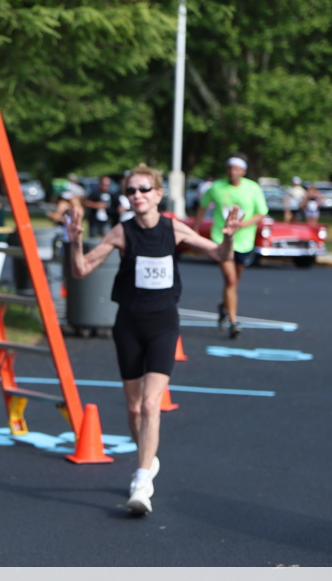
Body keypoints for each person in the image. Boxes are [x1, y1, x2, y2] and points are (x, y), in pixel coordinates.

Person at [66, 164, 240, 515]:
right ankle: (147, 457)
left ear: (159, 194)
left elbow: (222, 255)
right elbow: (81, 270)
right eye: (131, 191)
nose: (137, 195)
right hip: (128, 324)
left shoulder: (173, 229)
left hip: (163, 324)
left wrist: (228, 236)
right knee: (133, 408)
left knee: (150, 405)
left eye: (144, 189)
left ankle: (141, 480)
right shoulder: (122, 232)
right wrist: (76, 241)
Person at [193, 153, 268, 339]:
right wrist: (195, 230)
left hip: (244, 241)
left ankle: (224, 305)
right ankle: (234, 322)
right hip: (222, 239)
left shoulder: (252, 188)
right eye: (230, 168)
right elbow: (203, 206)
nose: (232, 172)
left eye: (237, 169)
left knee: (233, 282)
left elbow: (261, 213)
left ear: (243, 171)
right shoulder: (216, 188)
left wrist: (243, 224)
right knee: (231, 280)